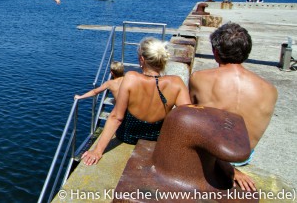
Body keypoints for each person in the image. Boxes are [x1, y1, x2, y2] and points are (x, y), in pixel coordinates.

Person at [189, 22, 278, 192]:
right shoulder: (270, 90)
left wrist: (226, 165)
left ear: (216, 52)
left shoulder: (200, 78)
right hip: (243, 155)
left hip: (212, 154)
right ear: (246, 52)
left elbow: (194, 117)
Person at [81, 37, 191, 166]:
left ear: (142, 60)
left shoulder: (131, 78)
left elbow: (117, 117)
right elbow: (187, 117)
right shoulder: (176, 82)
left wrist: (97, 151)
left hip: (127, 137)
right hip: (156, 139)